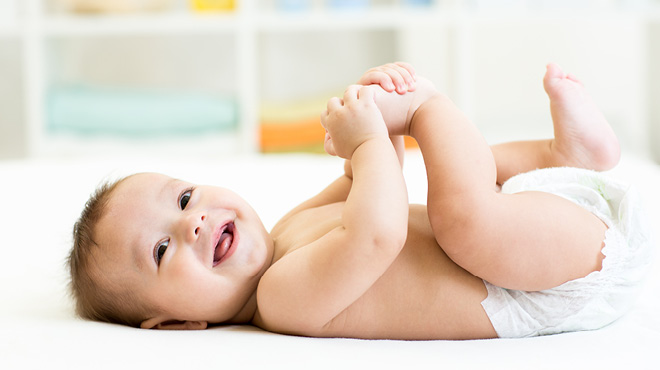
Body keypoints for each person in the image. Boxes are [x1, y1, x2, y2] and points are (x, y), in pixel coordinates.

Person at [68, 62, 651, 339]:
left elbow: (366, 185)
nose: (193, 222)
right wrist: (396, 123)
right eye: (163, 248)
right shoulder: (281, 301)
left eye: (186, 197)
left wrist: (374, 123)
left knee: (470, 184)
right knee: (461, 219)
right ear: (176, 323)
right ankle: (434, 105)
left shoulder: (287, 229)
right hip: (538, 286)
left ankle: (564, 157)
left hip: (535, 234)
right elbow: (378, 233)